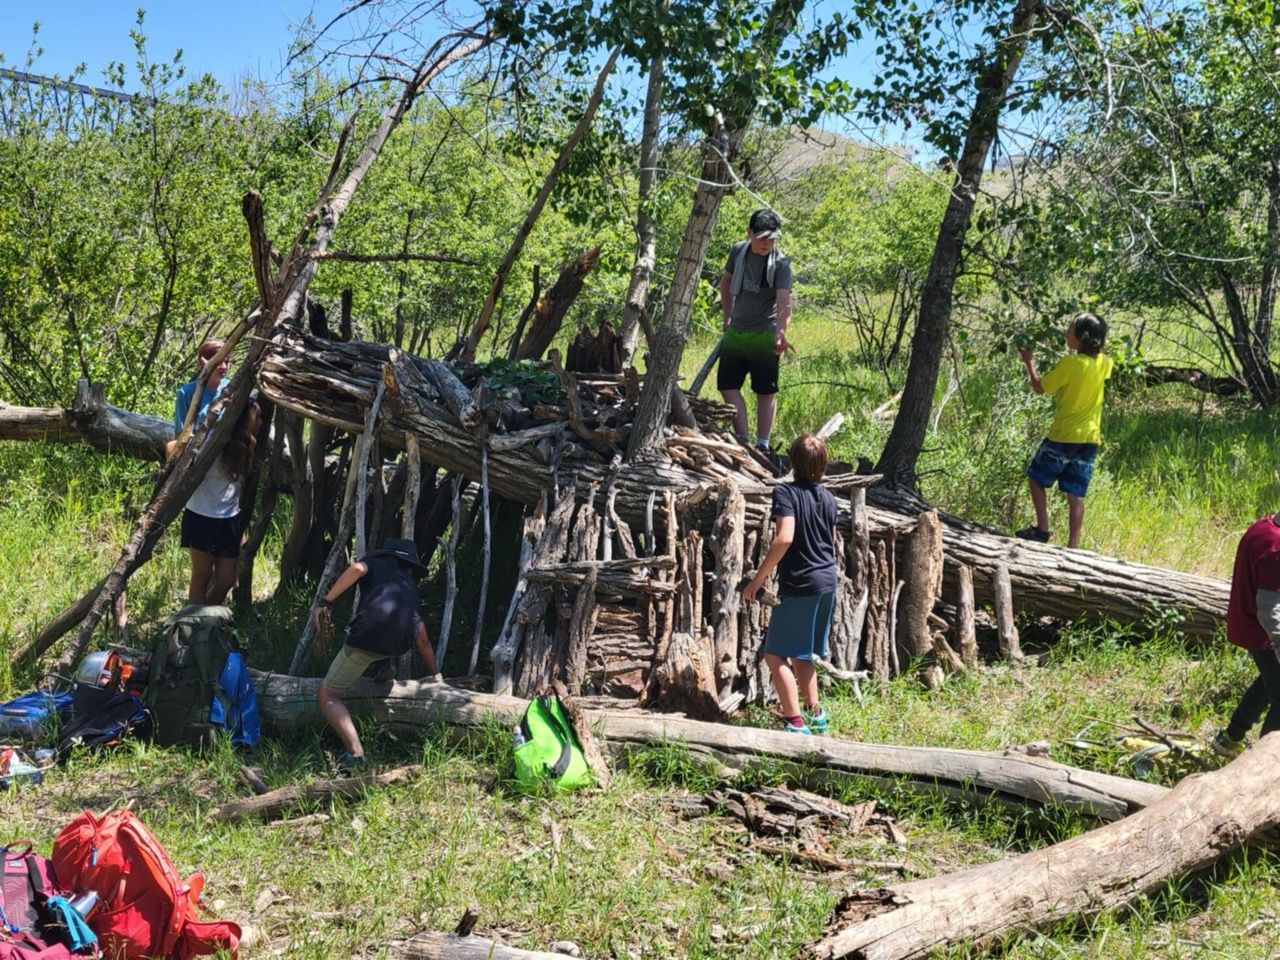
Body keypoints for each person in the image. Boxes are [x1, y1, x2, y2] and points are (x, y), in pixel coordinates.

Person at [313, 538, 440, 773]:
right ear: (408, 568)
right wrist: (436, 678)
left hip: (368, 637)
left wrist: (326, 602)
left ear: (387, 556)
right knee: (383, 643)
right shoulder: (409, 587)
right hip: (399, 644)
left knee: (327, 694)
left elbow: (356, 569)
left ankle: (355, 754)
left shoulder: (375, 563)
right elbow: (423, 640)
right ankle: (383, 669)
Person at [741, 434, 837, 735]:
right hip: (827, 581)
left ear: (792, 461)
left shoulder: (785, 492)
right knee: (801, 652)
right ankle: (816, 716)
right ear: (823, 465)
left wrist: (759, 578)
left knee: (774, 655)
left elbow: (784, 537)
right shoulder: (829, 497)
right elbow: (831, 540)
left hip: (801, 583)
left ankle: (795, 723)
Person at [1016, 311, 1112, 549]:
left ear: (1081, 337)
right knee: (1075, 493)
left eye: (1070, 330)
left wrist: (1029, 361)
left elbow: (1040, 388)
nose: (1067, 333)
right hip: (1090, 438)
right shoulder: (1105, 363)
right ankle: (1073, 547)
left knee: (1036, 477)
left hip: (1064, 435)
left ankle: (1042, 529)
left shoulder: (1070, 363)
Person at [718, 208, 794, 452]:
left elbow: (784, 301)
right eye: (762, 238)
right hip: (736, 331)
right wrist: (727, 316)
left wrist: (780, 332)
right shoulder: (738, 251)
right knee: (727, 386)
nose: (767, 243)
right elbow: (726, 281)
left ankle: (762, 445)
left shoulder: (780, 263)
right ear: (750, 233)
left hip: (764, 334)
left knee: (765, 391)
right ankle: (742, 439)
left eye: (772, 239)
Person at [177, 398, 261, 605]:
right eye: (258, 417)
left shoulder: (247, 444)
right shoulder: (214, 440)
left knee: (226, 580)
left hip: (228, 517)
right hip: (201, 513)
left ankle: (206, 617)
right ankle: (194, 621)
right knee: (202, 575)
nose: (261, 422)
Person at [1210, 514, 1280, 760]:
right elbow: (1269, 606)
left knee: (1269, 681)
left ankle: (1231, 738)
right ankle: (1267, 762)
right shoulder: (1276, 548)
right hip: (1263, 631)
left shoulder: (1264, 526)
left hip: (1249, 622)